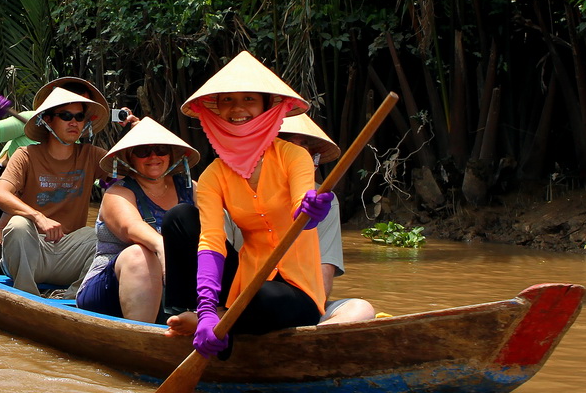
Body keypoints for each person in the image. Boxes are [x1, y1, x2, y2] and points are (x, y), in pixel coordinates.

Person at [162, 52, 375, 359]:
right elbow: (211, 241)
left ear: (265, 107)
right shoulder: (213, 176)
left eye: (249, 98)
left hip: (293, 290)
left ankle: (223, 321)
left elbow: (304, 201)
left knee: (262, 298)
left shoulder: (293, 156)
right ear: (217, 110)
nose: (237, 108)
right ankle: (204, 315)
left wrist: (312, 210)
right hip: (244, 284)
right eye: (227, 100)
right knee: (179, 217)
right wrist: (207, 306)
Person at [0, 83, 113, 295]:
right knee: (18, 225)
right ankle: (27, 296)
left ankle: (73, 296)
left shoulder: (92, 155)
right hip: (30, 252)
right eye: (65, 116)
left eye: (79, 117)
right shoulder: (25, 154)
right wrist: (39, 218)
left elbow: (127, 176)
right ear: (48, 120)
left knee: (103, 235)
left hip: (70, 255)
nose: (73, 122)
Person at [76, 118, 198, 322]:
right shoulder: (117, 193)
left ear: (170, 155)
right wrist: (162, 248)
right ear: (129, 158)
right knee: (139, 254)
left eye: (160, 149)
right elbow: (131, 227)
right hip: (110, 289)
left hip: (175, 288)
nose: (153, 157)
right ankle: (142, 337)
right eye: (143, 152)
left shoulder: (190, 188)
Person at [278, 114, 377, 321]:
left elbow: (323, 277)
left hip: (299, 303)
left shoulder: (324, 201)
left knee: (361, 309)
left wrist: (305, 313)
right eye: (288, 144)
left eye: (304, 147)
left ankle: (310, 343)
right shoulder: (237, 189)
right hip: (244, 302)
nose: (297, 155)